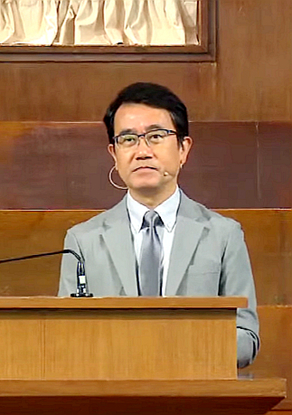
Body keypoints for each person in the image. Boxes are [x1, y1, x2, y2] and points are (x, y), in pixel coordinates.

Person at [58, 82, 259, 368]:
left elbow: (246, 339)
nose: (142, 151)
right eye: (128, 139)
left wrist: (167, 350)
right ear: (114, 154)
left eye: (155, 136)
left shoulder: (223, 235)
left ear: (183, 149)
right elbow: (67, 338)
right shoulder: (83, 241)